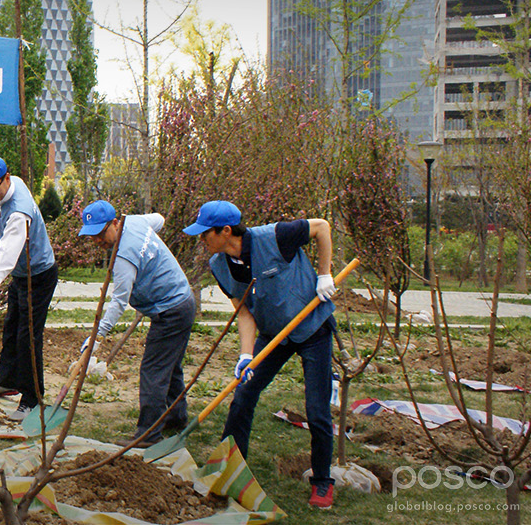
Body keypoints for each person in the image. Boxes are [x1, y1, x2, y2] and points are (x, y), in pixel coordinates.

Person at [183, 200, 337, 509]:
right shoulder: (220, 265)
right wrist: (245, 355)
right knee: (243, 394)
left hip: (312, 329)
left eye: (205, 234)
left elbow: (321, 227)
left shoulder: (276, 236)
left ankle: (322, 481)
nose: (201, 240)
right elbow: (243, 310)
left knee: (317, 411)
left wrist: (324, 274)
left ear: (226, 231)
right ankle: (228, 472)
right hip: (273, 336)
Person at [76, 200, 194, 447]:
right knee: (170, 366)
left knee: (153, 371)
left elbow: (119, 302)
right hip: (182, 300)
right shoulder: (137, 222)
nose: (97, 241)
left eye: (100, 233)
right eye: (92, 236)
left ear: (115, 223)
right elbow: (160, 219)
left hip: (171, 309)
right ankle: (177, 416)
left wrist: (98, 336)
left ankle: (148, 434)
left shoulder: (123, 258)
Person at [0, 155, 57, 421]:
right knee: (11, 329)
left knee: (28, 338)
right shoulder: (15, 184)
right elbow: (5, 207)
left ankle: (32, 399)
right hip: (23, 275)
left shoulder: (20, 214)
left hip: (39, 276)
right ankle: (7, 381)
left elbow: (5, 259)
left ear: (6, 178)